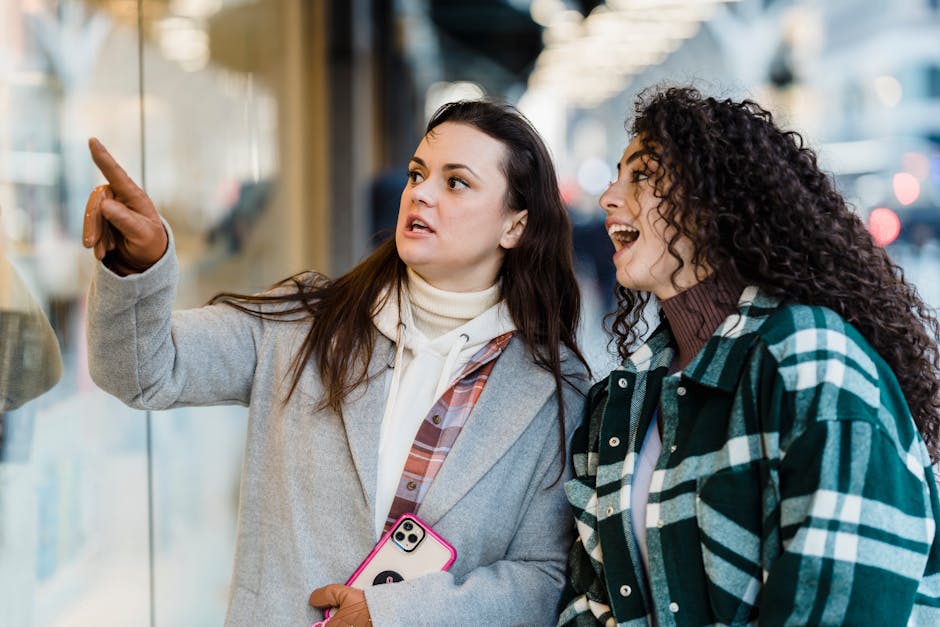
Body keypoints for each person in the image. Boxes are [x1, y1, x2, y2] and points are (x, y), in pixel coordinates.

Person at [83, 99, 589, 626]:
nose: (421, 192)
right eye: (417, 173)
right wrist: (138, 265)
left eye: (456, 182)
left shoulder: (552, 390)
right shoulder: (303, 325)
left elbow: (540, 580)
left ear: (515, 226)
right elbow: (141, 370)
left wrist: (393, 616)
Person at [558, 86, 940, 626]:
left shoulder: (811, 361)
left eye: (641, 174)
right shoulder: (620, 402)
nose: (609, 197)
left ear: (714, 199)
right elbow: (589, 602)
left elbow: (843, 607)